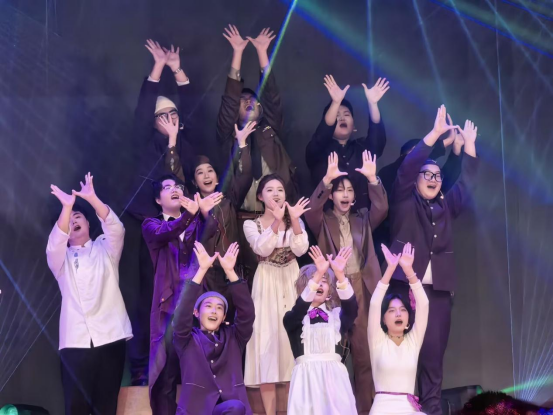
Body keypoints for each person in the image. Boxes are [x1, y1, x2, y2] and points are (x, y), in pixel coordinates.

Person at [388, 106, 479, 415]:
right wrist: (435, 135)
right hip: (403, 292)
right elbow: (406, 170)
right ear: (415, 180)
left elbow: (467, 185)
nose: (433, 179)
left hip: (437, 294)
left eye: (438, 176)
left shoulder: (445, 207)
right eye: (426, 174)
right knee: (400, 360)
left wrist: (469, 148)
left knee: (433, 361)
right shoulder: (403, 200)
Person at [304, 150, 388, 414]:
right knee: (333, 355)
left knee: (364, 356)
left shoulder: (362, 218)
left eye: (350, 190)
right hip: (332, 291)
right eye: (340, 190)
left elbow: (382, 208)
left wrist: (373, 180)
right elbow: (312, 209)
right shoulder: (322, 220)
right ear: (332, 195)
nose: (345, 194)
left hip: (359, 288)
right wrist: (327, 180)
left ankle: (365, 409)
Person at [218, 24, 299, 284]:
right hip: (243, 218)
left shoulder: (270, 130)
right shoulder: (229, 135)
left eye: (252, 100)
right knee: (247, 281)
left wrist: (263, 53)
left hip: (277, 216)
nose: (248, 102)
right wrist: (238, 54)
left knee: (281, 280)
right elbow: (228, 104)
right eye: (242, 102)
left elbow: (273, 98)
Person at [47, 173, 132, 415]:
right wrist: (66, 207)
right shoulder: (60, 259)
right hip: (75, 342)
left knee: (106, 407)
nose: (74, 220)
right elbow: (54, 245)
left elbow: (116, 229)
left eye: (78, 216)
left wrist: (92, 199)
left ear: (87, 222)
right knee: (76, 407)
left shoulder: (105, 247)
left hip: (111, 337)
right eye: (69, 219)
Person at [141, 175, 221, 415]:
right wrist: (190, 215)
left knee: (200, 371)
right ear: (158, 199)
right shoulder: (151, 225)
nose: (174, 189)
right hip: (168, 309)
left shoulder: (194, 223)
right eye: (167, 187)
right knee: (166, 374)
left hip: (195, 307)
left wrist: (204, 213)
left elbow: (211, 230)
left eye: (177, 186)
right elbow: (166, 233)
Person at [168, 120, 256, 323]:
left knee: (231, 322)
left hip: (229, 270)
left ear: (217, 179)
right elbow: (174, 177)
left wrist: (242, 144)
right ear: (194, 182)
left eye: (210, 171)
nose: (206, 175)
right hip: (204, 274)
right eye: (200, 173)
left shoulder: (229, 199)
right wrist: (172, 142)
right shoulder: (190, 204)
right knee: (205, 322)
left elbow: (244, 176)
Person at [243, 174, 310, 415]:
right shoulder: (251, 224)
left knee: (292, 345)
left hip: (291, 279)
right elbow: (262, 247)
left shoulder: (295, 221)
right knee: (267, 345)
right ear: (260, 196)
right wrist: (277, 221)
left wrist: (294, 220)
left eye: (280, 189)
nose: (276, 194)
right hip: (266, 281)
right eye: (269, 190)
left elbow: (301, 249)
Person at [172, 242, 255, 415]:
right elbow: (181, 316)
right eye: (208, 306)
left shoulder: (234, 337)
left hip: (230, 410)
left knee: (236, 407)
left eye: (219, 308)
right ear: (196, 312)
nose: (214, 311)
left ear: (224, 317)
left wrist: (230, 272)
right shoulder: (186, 339)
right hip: (195, 411)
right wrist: (201, 271)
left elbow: (247, 314)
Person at [284, 246, 358, 415]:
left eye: (324, 281)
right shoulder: (293, 319)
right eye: (314, 280)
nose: (318, 283)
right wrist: (318, 274)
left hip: (335, 383)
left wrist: (340, 275)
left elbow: (352, 308)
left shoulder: (338, 316)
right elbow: (298, 311)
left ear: (330, 292)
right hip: (305, 384)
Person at [305, 74, 389, 212]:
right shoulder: (319, 151)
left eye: (346, 114)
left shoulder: (362, 148)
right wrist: (335, 103)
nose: (342, 118)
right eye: (337, 116)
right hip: (327, 219)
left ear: (354, 126)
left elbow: (378, 140)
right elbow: (320, 138)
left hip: (362, 219)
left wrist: (373, 104)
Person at [368, 243, 429, 415]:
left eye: (403, 310)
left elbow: (424, 304)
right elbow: (374, 303)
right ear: (383, 319)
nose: (398, 314)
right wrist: (390, 269)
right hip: (382, 409)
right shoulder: (377, 340)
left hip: (408, 409)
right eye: (391, 310)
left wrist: (409, 271)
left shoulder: (413, 341)